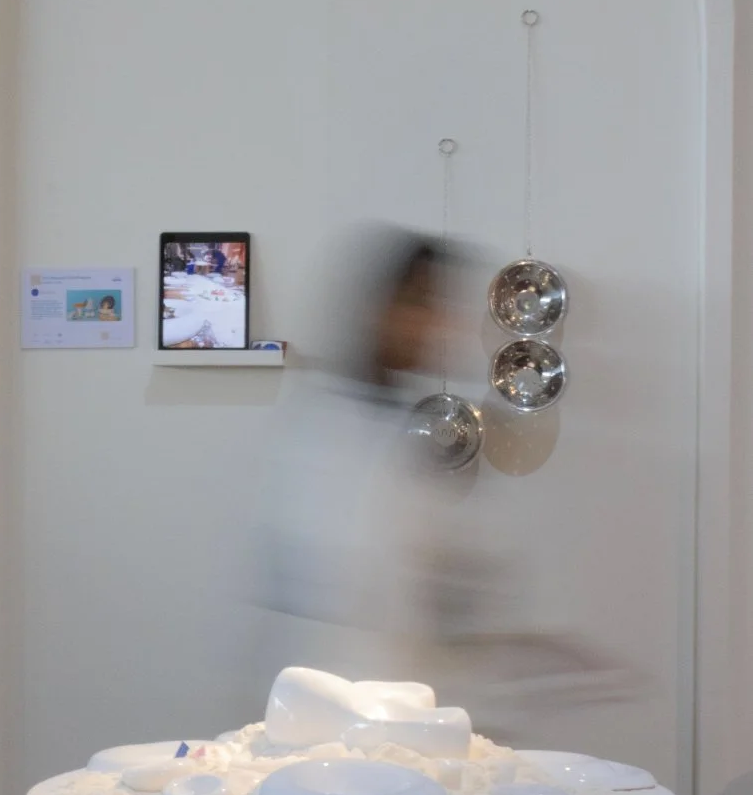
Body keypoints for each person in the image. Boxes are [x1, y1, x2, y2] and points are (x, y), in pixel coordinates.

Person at [247, 224, 638, 741]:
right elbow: (350, 583)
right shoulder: (324, 427)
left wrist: (530, 644)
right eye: (421, 305)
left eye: (440, 307)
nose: (435, 325)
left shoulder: (415, 426)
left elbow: (451, 574)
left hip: (423, 712)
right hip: (342, 720)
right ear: (377, 309)